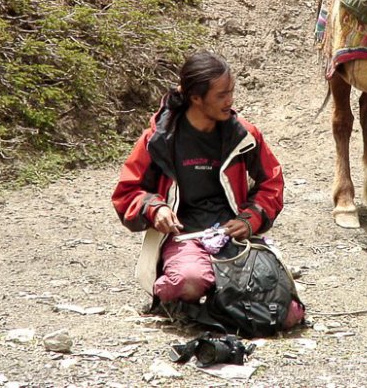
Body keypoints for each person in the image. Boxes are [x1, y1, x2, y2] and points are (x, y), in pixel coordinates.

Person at [111, 51, 304, 329]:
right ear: (195, 98)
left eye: (231, 92)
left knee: (288, 314)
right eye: (221, 95)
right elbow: (127, 192)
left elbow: (271, 183)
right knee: (190, 282)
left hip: (232, 238)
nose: (230, 101)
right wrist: (156, 208)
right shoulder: (160, 139)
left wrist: (251, 218)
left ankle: (214, 306)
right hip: (183, 237)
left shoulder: (244, 135)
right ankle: (181, 296)